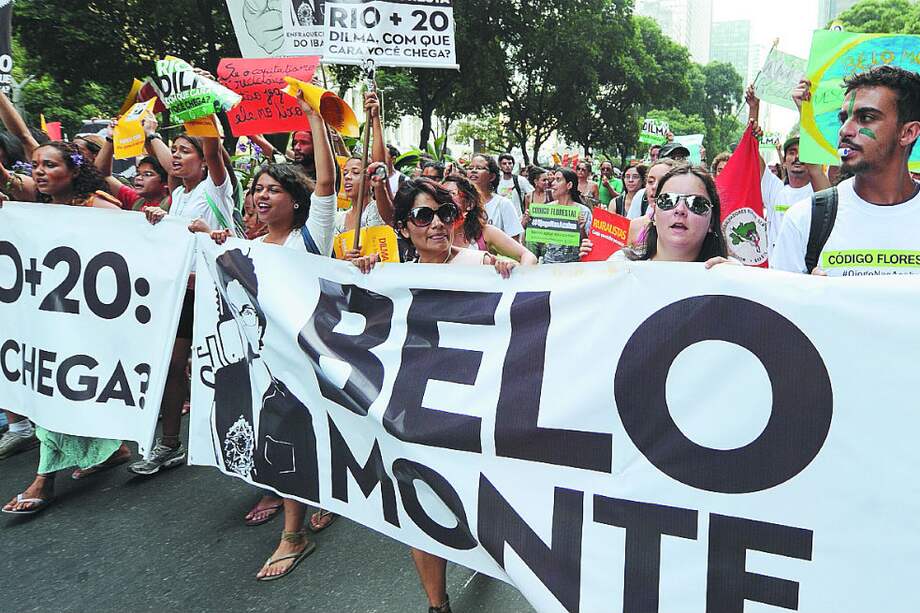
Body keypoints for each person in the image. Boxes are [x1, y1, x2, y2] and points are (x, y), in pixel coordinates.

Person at [350, 177, 516, 613]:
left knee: (476, 502)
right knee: (421, 508)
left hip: (472, 410)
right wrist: (362, 273)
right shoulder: (388, 275)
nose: (437, 224)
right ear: (404, 227)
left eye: (445, 213)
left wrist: (508, 274)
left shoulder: (481, 265)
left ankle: (486, 555)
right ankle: (437, 604)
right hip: (413, 414)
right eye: (423, 216)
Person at [3, 141, 130, 515]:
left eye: (50, 165)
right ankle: (112, 449)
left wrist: (152, 221)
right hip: (48, 319)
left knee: (69, 391)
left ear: (74, 170)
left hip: (90, 320)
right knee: (52, 392)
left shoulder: (98, 207)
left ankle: (43, 481)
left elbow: (135, 249)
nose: (39, 171)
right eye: (34, 165)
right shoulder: (31, 208)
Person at [129, 119, 237, 476]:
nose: (174, 157)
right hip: (182, 294)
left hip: (216, 293)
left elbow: (213, 149)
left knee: (230, 371)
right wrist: (150, 132)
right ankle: (170, 443)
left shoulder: (215, 189)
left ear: (204, 161)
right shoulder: (177, 196)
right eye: (173, 151)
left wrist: (204, 111)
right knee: (173, 367)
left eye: (184, 151)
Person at [772, 65, 920, 276]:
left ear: (908, 133)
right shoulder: (805, 218)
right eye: (844, 119)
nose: (845, 130)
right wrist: (808, 292)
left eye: (866, 117)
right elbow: (777, 295)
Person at [581, 164, 732, 268]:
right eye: (668, 200)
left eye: (696, 203)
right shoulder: (620, 265)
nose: (680, 210)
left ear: (712, 220)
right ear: (653, 213)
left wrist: (737, 286)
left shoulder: (730, 273)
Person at [746, 84, 829, 253]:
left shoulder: (818, 192)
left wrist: (804, 110)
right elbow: (751, 153)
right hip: (776, 268)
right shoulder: (774, 190)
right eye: (792, 152)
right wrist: (754, 108)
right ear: (784, 162)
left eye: (803, 152)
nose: (797, 157)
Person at [442, 174, 537, 264]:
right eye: (441, 194)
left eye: (452, 193)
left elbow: (528, 256)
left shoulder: (485, 233)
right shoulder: (435, 234)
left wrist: (515, 270)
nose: (444, 199)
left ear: (470, 204)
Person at [467, 154, 524, 241]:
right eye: (470, 168)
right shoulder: (463, 203)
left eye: (479, 168)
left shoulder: (503, 204)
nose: (473, 171)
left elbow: (514, 240)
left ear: (492, 176)